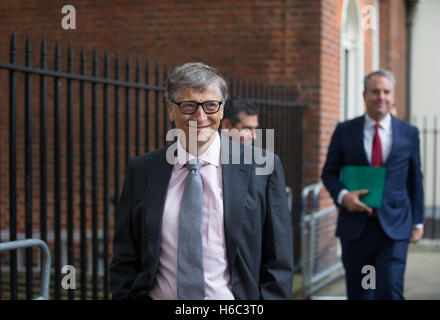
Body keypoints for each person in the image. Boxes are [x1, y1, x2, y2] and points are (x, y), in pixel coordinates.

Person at [109, 62, 293, 300]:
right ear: (171, 110)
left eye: (210, 105)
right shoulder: (142, 170)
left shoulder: (263, 167)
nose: (200, 116)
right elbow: (125, 254)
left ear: (222, 109)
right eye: (188, 106)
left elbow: (278, 259)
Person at [321, 69, 424, 300]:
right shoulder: (345, 131)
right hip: (357, 230)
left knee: (389, 289)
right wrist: (343, 196)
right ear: (364, 95)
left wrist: (418, 221)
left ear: (393, 95)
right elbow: (329, 173)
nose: (381, 97)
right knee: (363, 292)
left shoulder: (409, 133)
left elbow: (415, 179)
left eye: (386, 92)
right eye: (375, 91)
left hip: (394, 229)